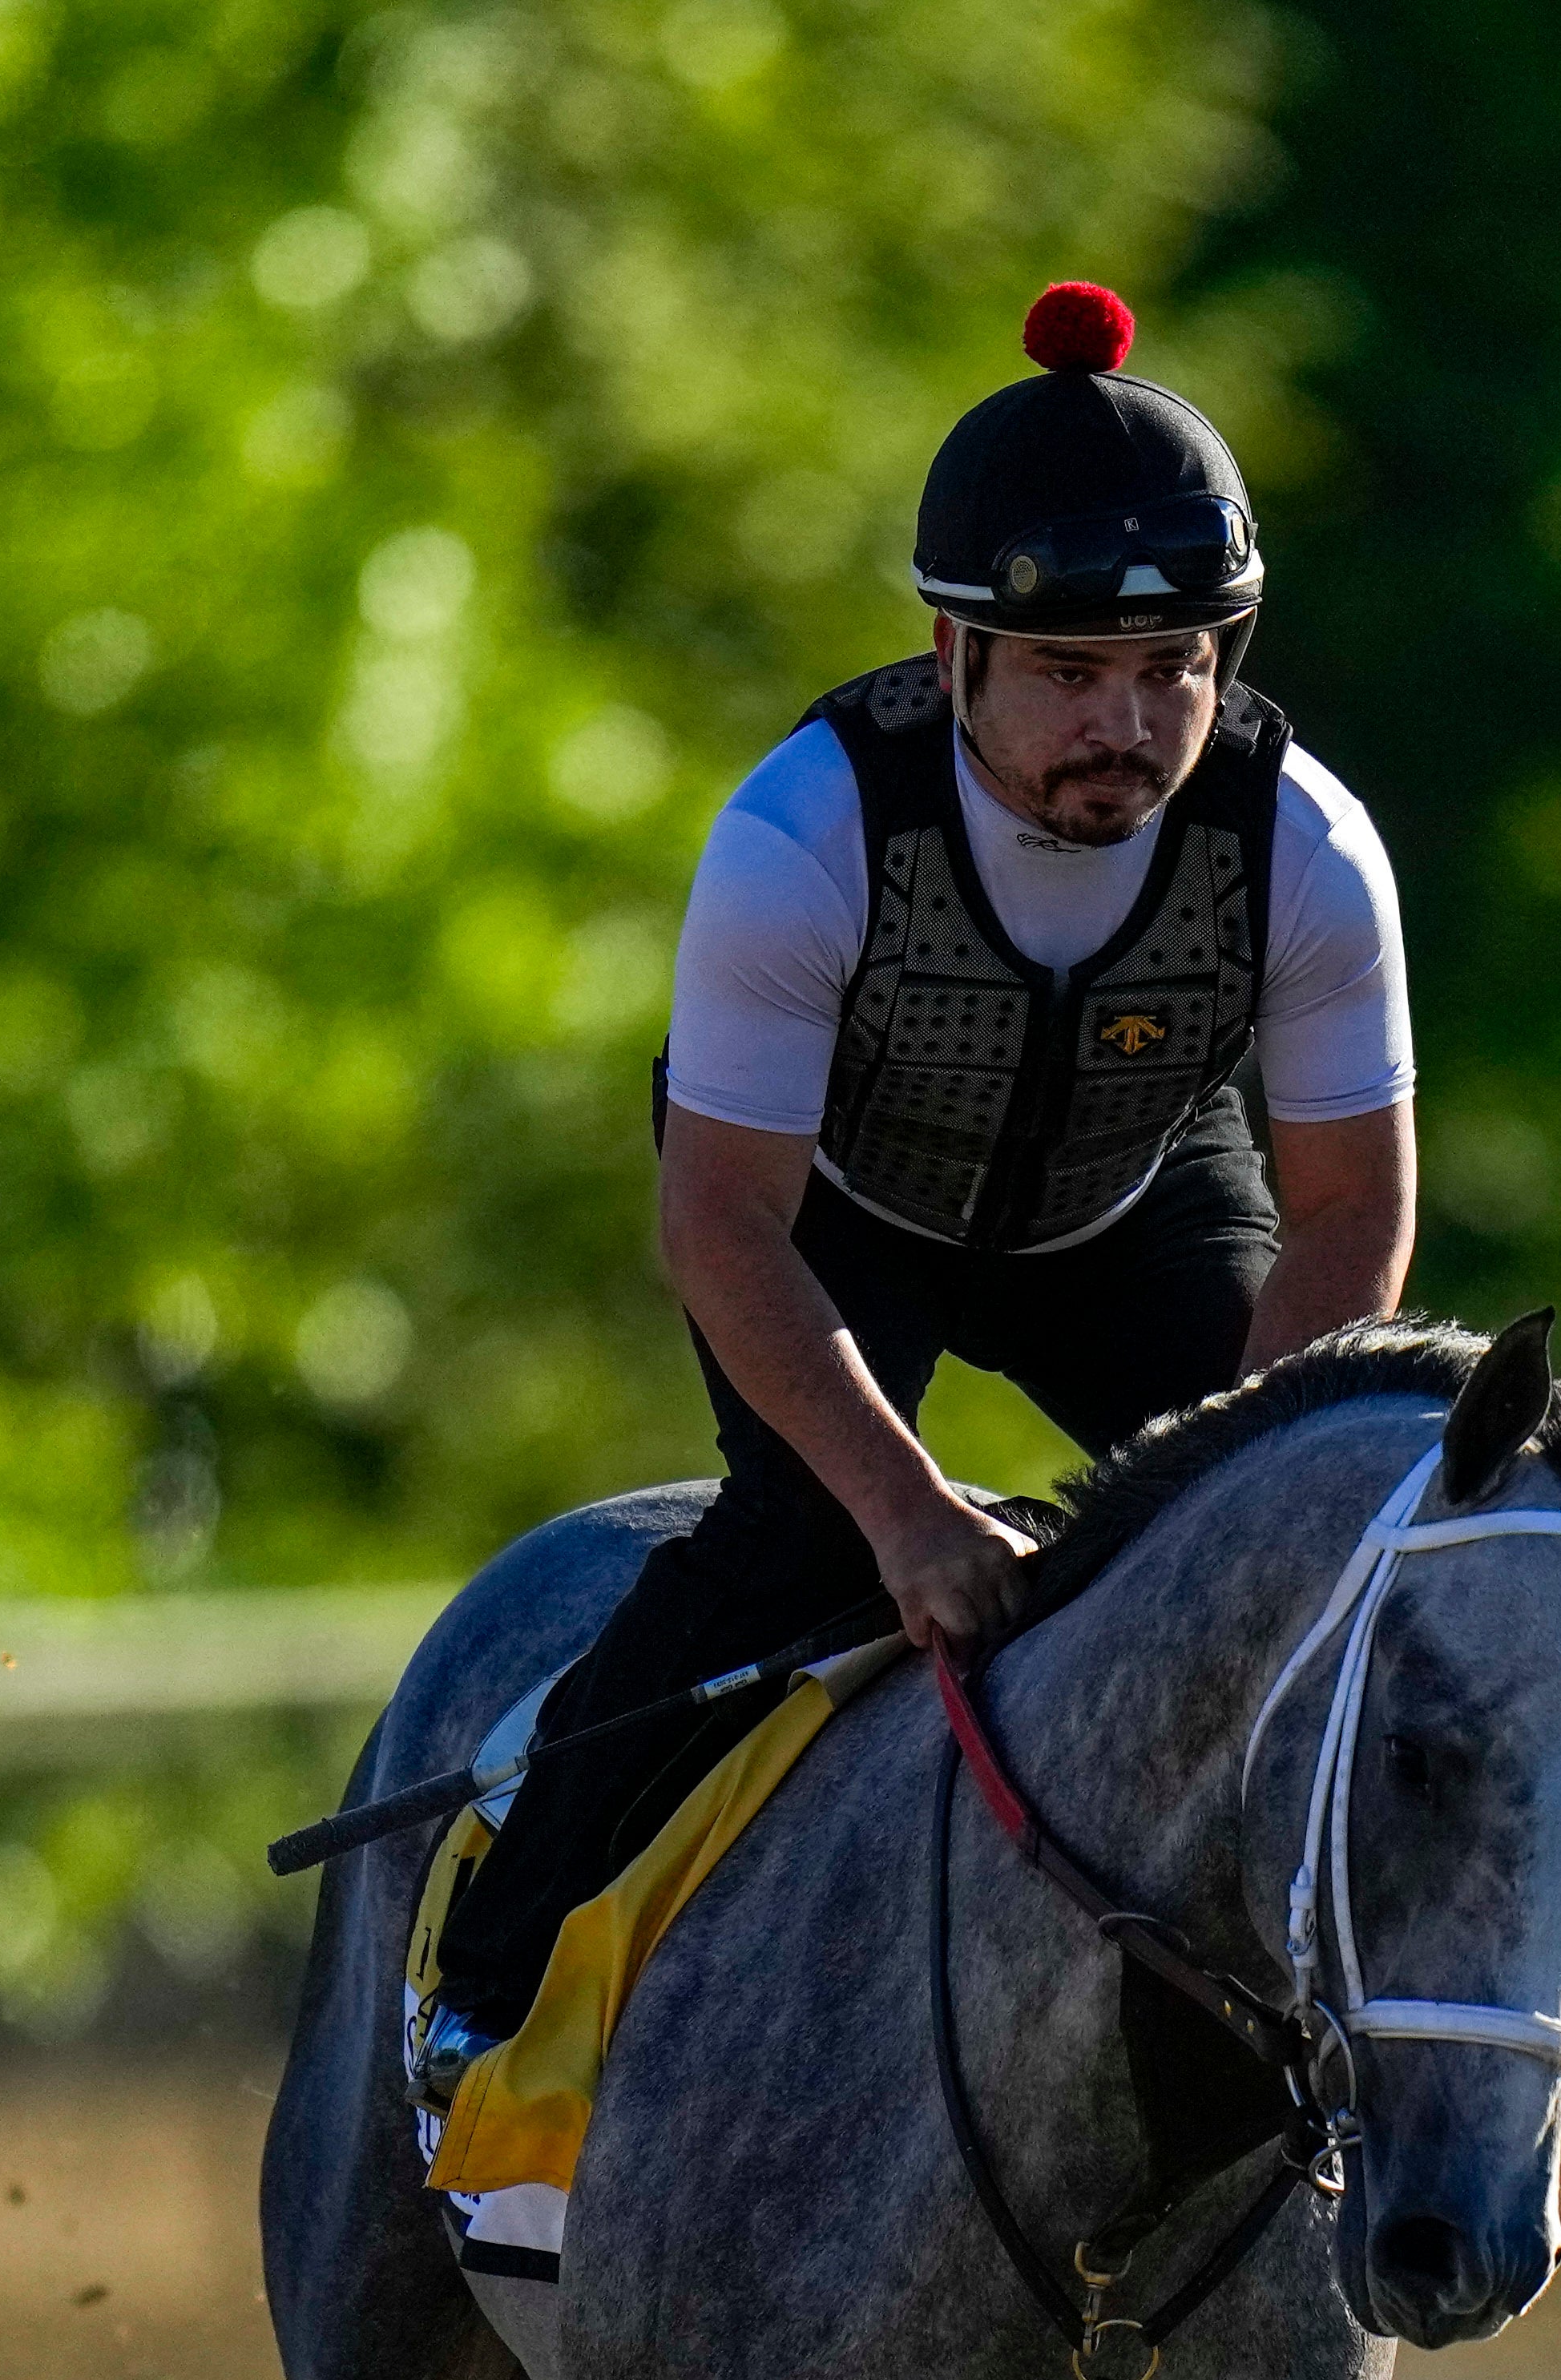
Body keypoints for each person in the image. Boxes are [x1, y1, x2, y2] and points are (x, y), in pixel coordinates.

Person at [411, 278, 1421, 2104]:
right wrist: (902, 1512)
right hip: (835, 1208)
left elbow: (1349, 1212)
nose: (1124, 722)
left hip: (1131, 1200)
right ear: (948, 654)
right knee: (792, 1544)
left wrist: (1233, 1489)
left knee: (1307, 1552)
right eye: (1065, 673)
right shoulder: (799, 835)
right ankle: (483, 1982)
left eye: (1174, 667)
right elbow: (716, 1217)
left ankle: (1356, 2027)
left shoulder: (1311, 853)